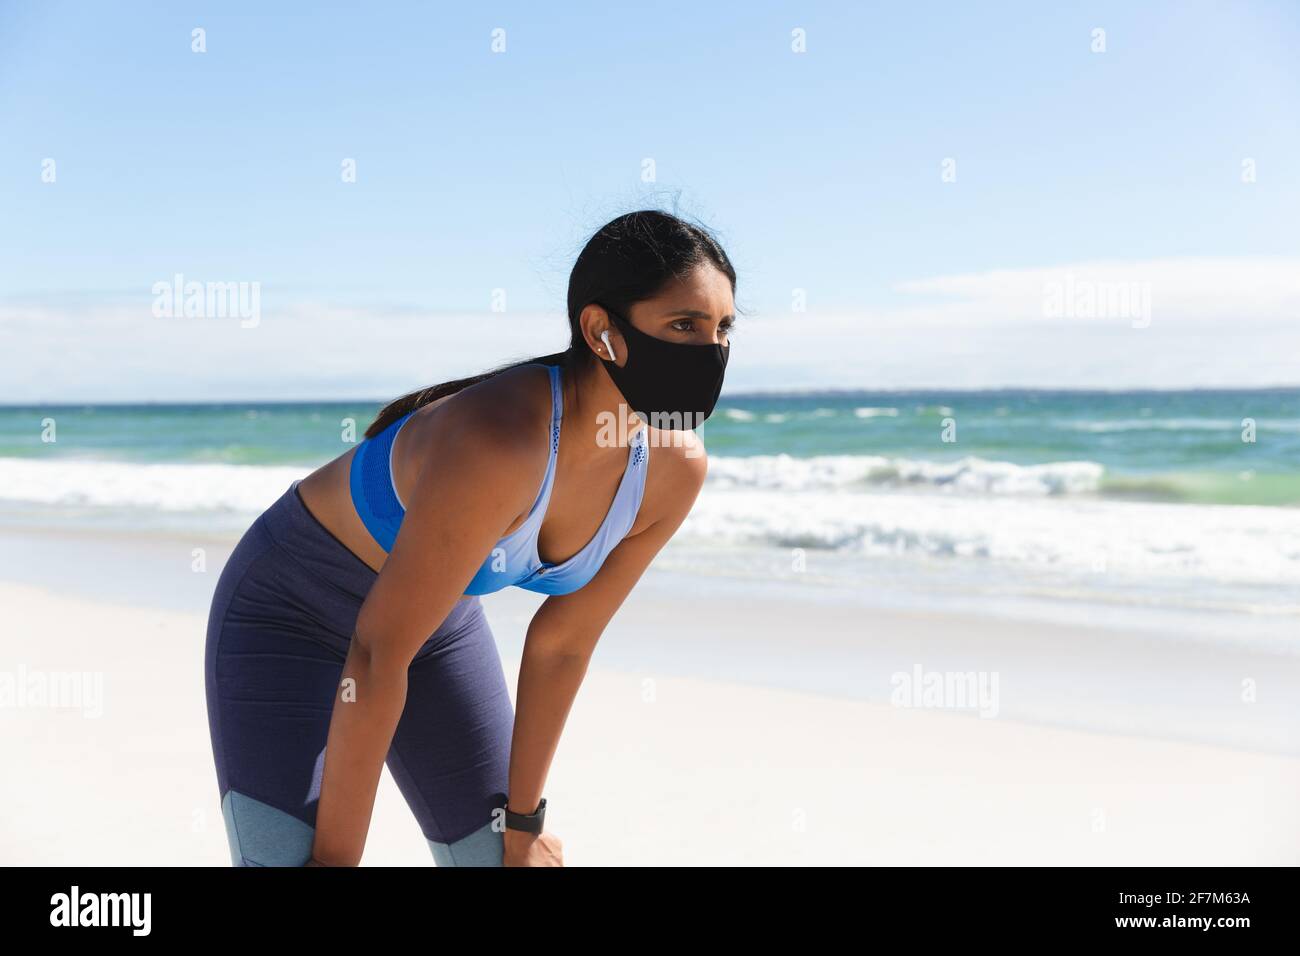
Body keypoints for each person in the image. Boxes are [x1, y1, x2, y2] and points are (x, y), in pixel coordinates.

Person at [203, 209, 736, 866]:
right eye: (684, 325)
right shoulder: (502, 440)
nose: (710, 351)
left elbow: (561, 646)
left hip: (432, 625)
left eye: (723, 329)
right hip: (290, 610)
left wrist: (525, 826)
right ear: (602, 331)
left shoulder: (673, 469)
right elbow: (374, 653)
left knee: (503, 863)